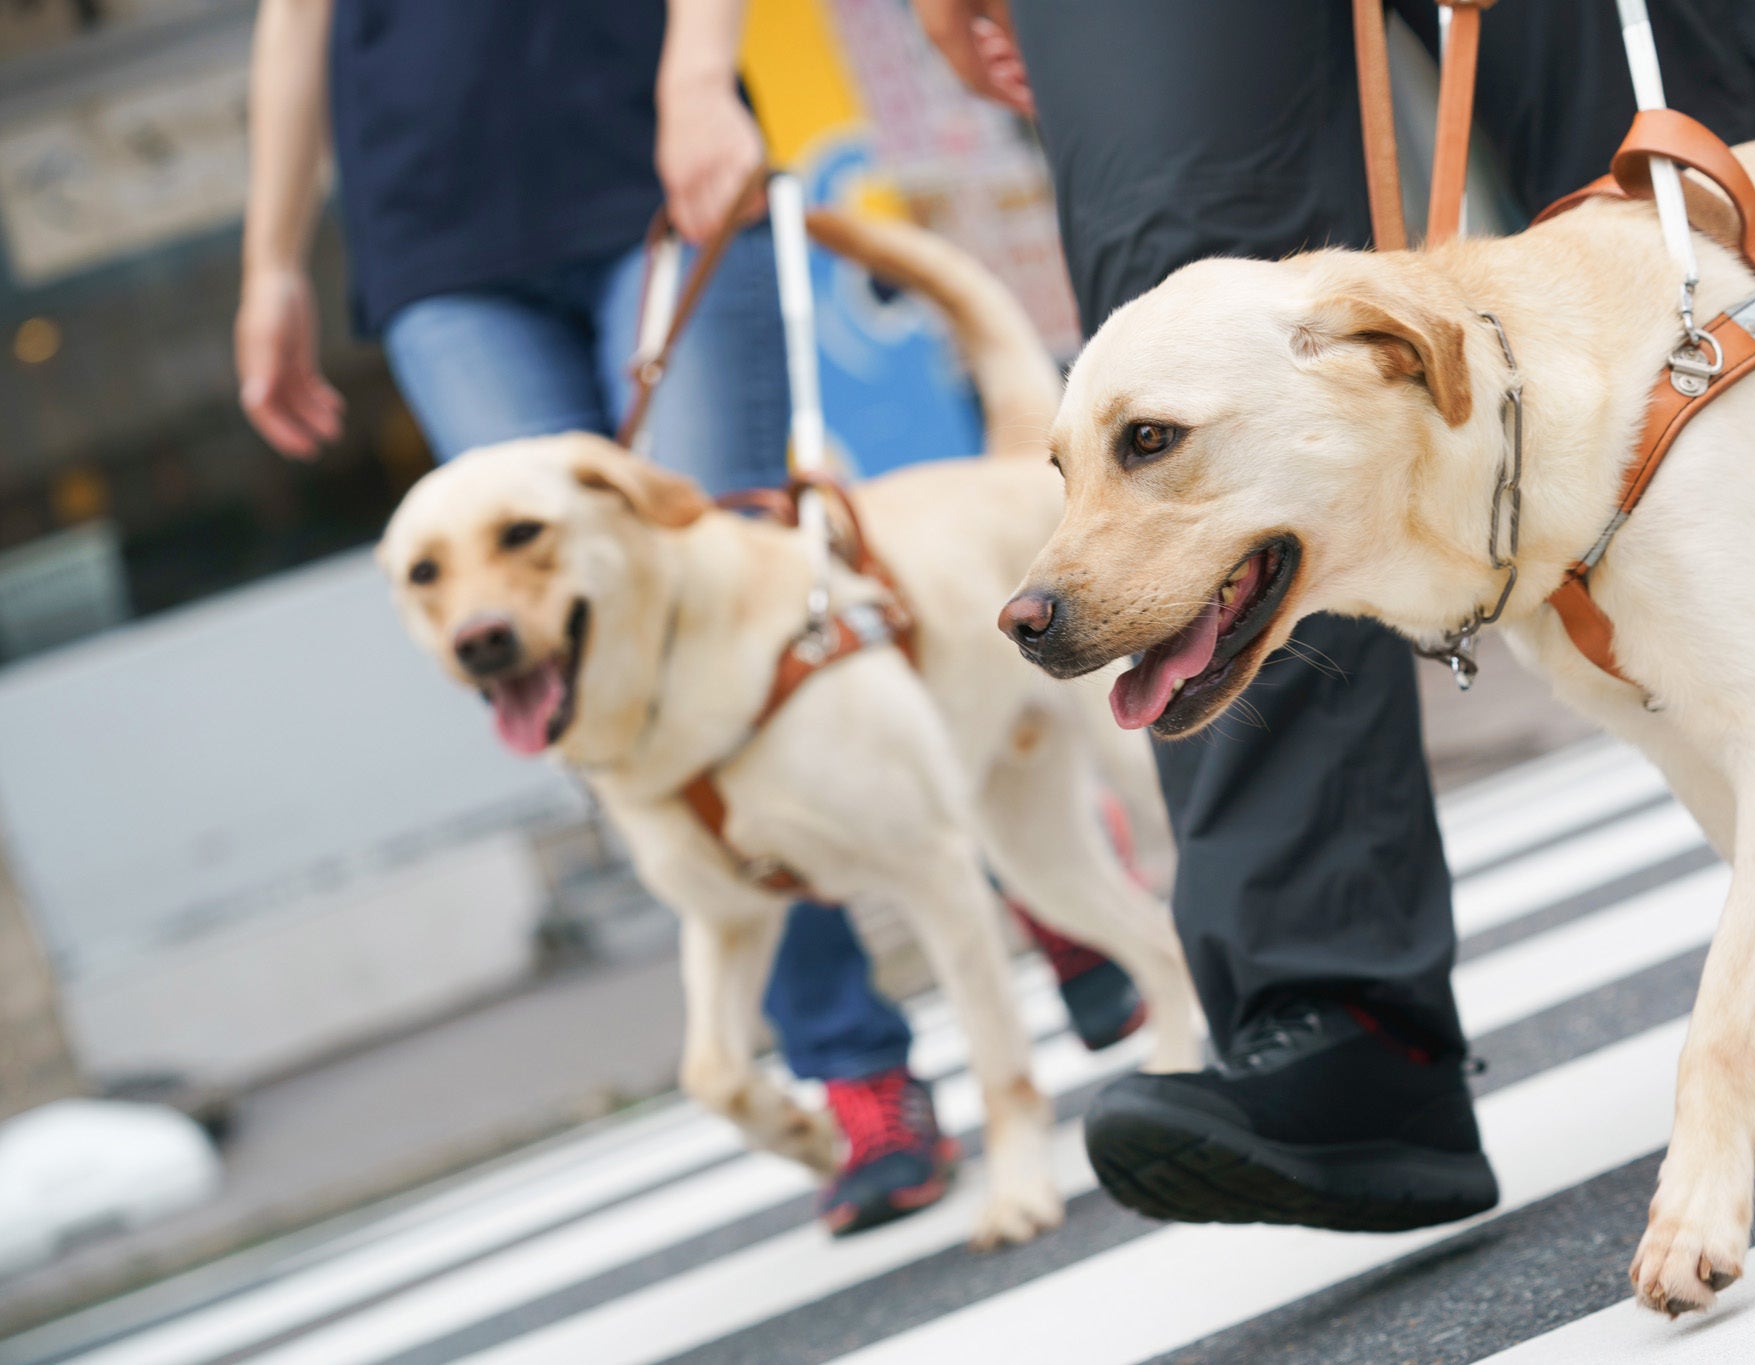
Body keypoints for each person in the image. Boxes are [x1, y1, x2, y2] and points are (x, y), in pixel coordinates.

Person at [912, 0, 1755, 1231]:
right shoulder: (1484, 539)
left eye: (1151, 447)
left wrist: (1714, 1105)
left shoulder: (1573, 432)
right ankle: (1328, 1013)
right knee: (1179, 206)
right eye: (1085, 470)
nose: (1056, 568)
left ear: (1397, 352)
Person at [235, 0, 1142, 1237]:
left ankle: (1012, 832)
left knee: (736, 595)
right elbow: (296, 21)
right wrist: (273, 257)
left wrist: (698, 76)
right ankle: (855, 1071)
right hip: (429, 229)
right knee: (607, 669)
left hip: (643, 142)